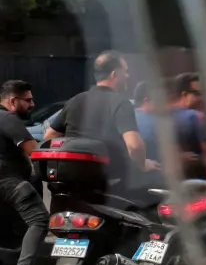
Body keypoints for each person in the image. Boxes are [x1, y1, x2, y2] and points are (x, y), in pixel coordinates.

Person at [45, 51, 147, 188]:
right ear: (114, 74)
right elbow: (134, 146)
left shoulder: (76, 99)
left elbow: (50, 136)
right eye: (126, 71)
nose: (128, 76)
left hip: (69, 180)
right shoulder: (120, 103)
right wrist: (143, 165)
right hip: (104, 184)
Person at [0, 81, 51, 265]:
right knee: (39, 219)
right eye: (28, 100)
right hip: (7, 181)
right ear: (13, 101)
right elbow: (35, 153)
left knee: (14, 227)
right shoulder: (8, 119)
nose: (33, 104)